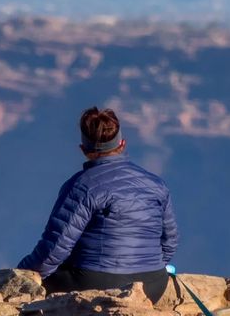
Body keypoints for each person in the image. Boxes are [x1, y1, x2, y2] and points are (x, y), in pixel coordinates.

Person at [18, 106, 178, 303]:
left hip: (98, 284)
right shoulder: (156, 184)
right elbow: (170, 241)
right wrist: (148, 266)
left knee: (48, 283)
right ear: (123, 144)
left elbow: (55, 248)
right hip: (153, 285)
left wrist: (22, 274)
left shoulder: (82, 186)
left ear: (84, 150)